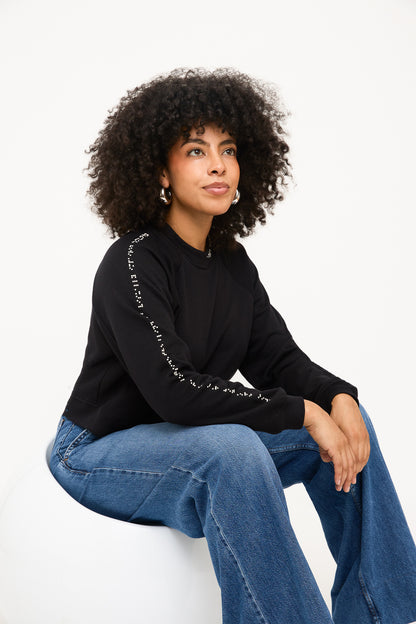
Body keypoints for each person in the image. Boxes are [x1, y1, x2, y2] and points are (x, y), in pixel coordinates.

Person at [49, 68, 416, 624]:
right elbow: (174, 391)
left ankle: (383, 614)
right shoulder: (133, 261)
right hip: (98, 450)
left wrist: (336, 397)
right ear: (160, 171)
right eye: (196, 150)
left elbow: (278, 359)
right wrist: (298, 411)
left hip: (184, 440)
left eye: (228, 149)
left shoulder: (231, 263)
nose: (218, 164)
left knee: (348, 419)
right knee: (233, 450)